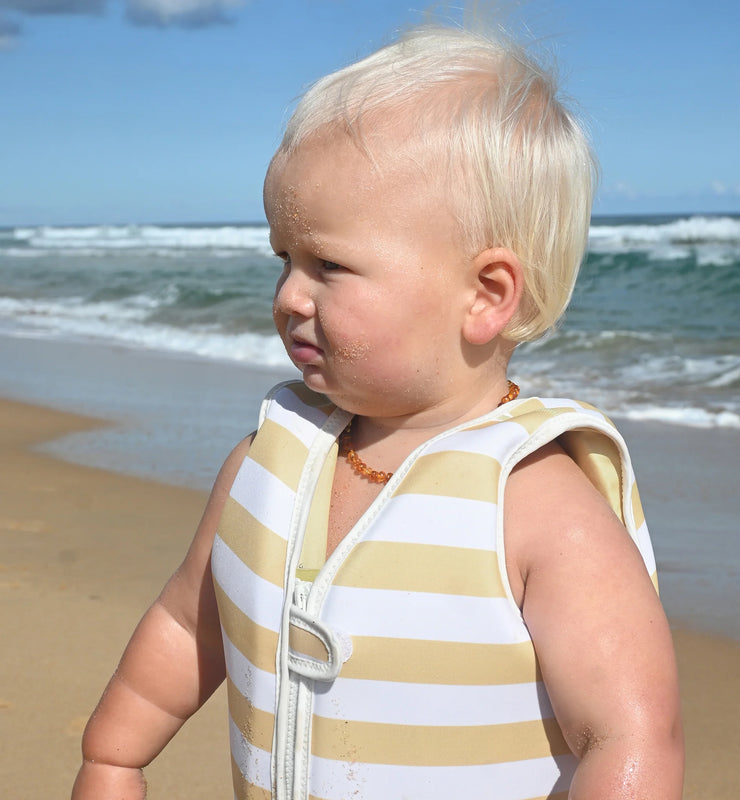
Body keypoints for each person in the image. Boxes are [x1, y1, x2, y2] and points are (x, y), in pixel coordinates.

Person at [72, 24, 683, 800]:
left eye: (329, 265)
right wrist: (113, 759)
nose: (290, 296)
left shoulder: (536, 503)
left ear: (486, 295)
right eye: (284, 258)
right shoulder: (265, 463)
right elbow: (188, 625)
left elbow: (631, 736)